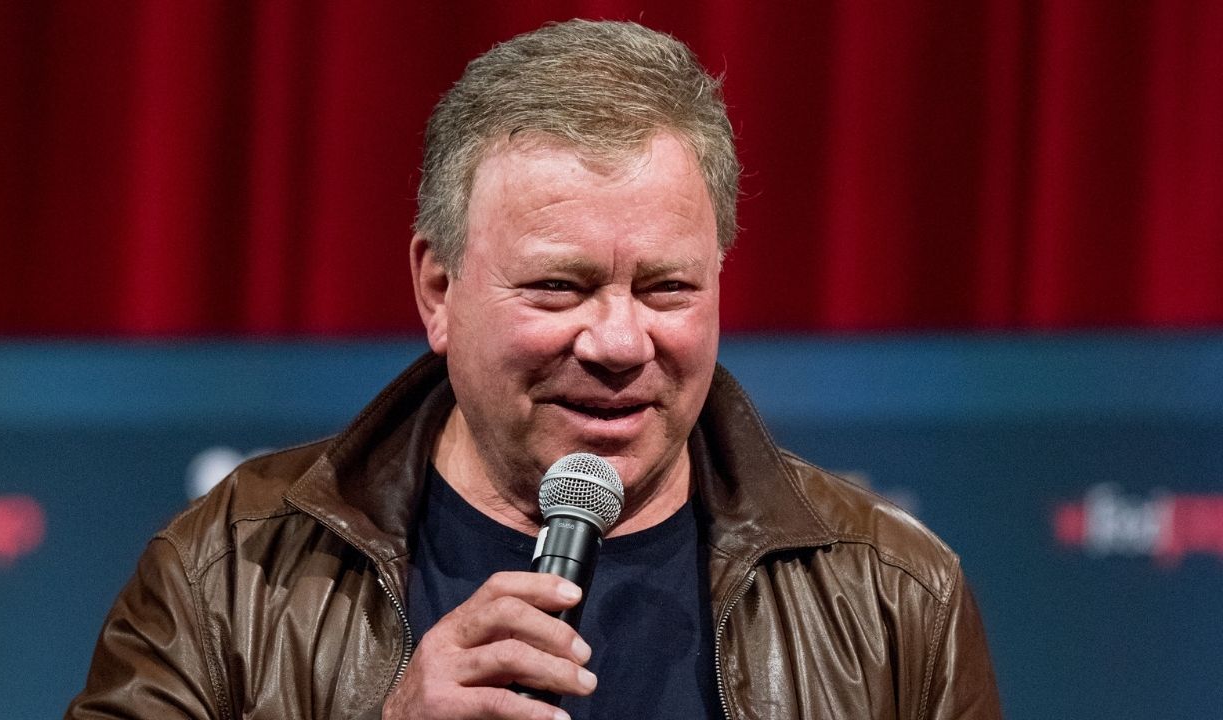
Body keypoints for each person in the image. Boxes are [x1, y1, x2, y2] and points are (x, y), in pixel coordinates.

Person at [67, 19, 1001, 720]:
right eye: (560, 286)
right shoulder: (231, 570)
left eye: (667, 288)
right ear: (439, 290)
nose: (619, 342)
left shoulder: (893, 596)